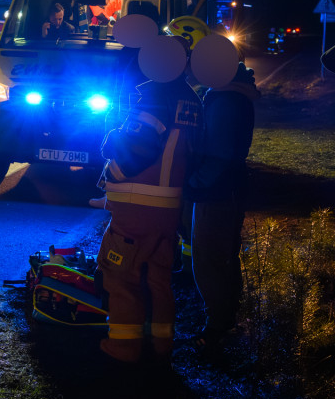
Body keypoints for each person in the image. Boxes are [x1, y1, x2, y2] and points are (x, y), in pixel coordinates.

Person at [96, 27, 203, 364]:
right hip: (167, 207)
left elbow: (137, 146)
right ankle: (160, 345)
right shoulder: (192, 101)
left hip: (137, 206)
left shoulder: (154, 98)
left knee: (121, 274)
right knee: (158, 278)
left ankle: (123, 347)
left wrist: (110, 170)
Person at [185, 61, 259, 352]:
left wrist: (196, 183)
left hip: (217, 190)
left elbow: (219, 152)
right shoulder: (230, 95)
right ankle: (225, 317)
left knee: (210, 257)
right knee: (223, 256)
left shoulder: (226, 100)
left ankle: (217, 325)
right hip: (226, 188)